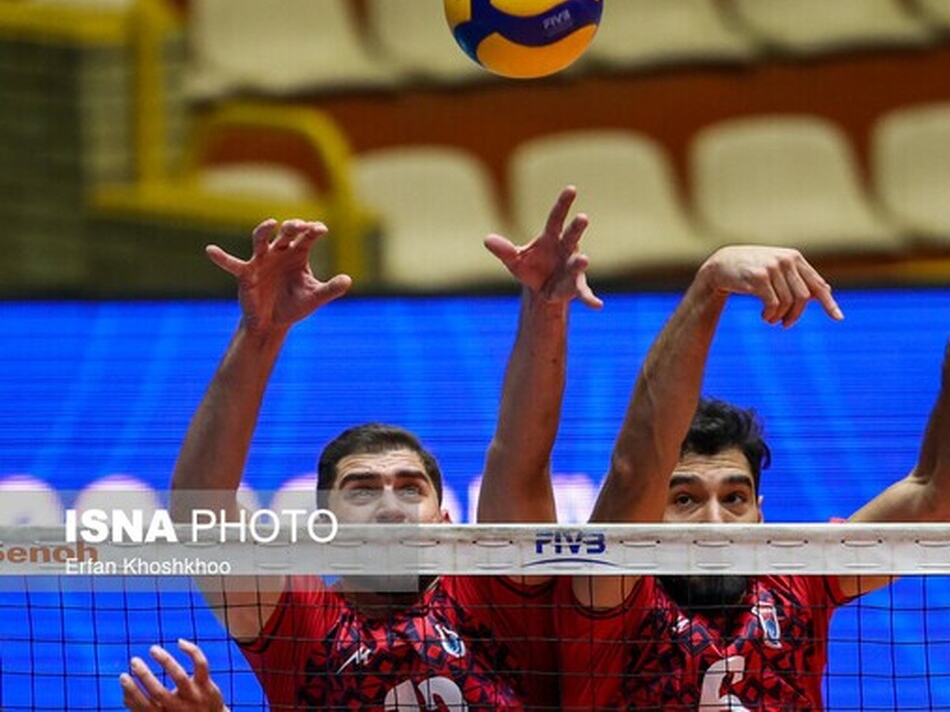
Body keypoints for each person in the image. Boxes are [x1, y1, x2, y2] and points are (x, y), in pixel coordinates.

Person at [120, 187, 600, 710]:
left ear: (443, 520)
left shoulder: (495, 596)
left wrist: (546, 308)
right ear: (323, 524)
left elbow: (520, 460)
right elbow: (200, 511)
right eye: (363, 489)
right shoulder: (302, 624)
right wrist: (260, 333)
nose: (390, 507)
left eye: (410, 488)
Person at [558, 245, 950, 710]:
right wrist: (710, 284)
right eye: (685, 499)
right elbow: (633, 469)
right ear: (649, 514)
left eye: (735, 497)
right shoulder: (610, 599)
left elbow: (948, 494)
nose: (714, 522)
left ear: (761, 512)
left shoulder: (799, 577)